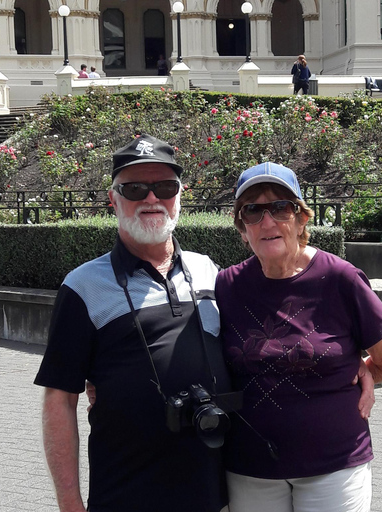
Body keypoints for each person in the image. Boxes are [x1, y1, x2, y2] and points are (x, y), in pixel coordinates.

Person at [34, 134, 232, 512]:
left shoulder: (207, 270)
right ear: (114, 199)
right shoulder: (82, 287)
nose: (151, 198)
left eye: (164, 186)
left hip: (217, 494)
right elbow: (59, 400)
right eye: (135, 188)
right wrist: (70, 504)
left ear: (180, 195)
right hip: (126, 494)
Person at [215, 163, 382, 512]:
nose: (268, 221)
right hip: (252, 468)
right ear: (242, 227)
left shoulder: (340, 279)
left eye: (280, 207)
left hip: (333, 463)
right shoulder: (226, 286)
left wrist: (367, 370)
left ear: (301, 218)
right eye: (253, 210)